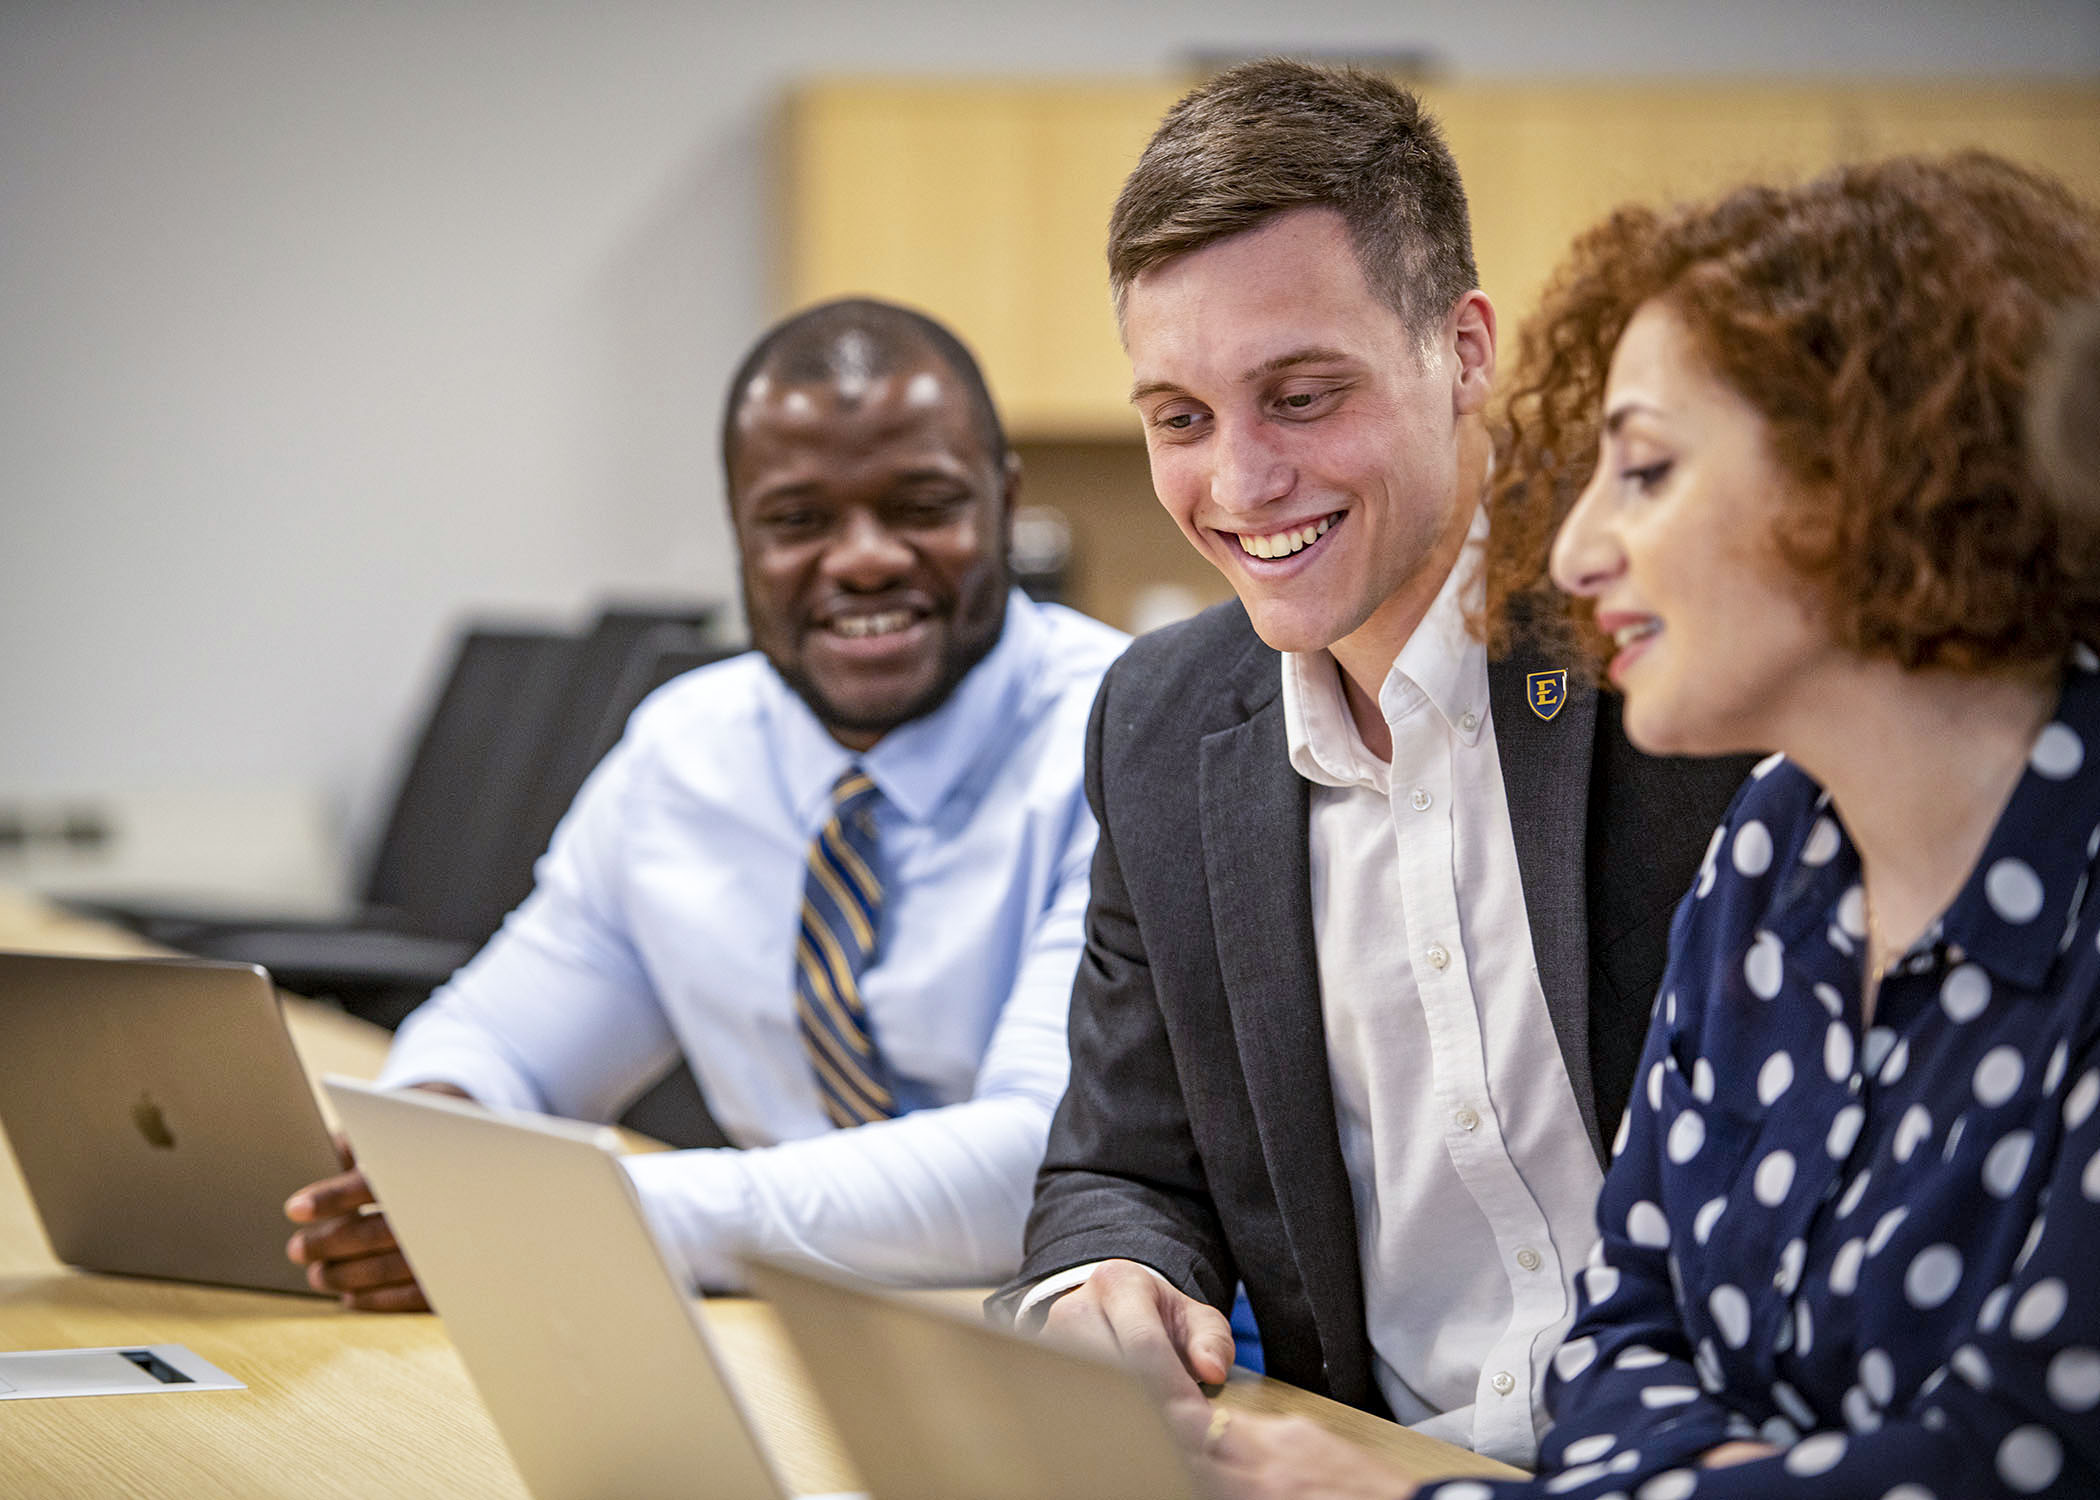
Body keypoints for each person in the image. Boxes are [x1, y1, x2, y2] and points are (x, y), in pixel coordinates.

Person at [1199, 155, 2100, 1498]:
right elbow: (1620, 1343)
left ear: (1881, 470)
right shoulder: (1773, 849)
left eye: (1649, 470)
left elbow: (2007, 1465)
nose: (1572, 554)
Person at [991, 59, 1750, 1469]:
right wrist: (1103, 1286)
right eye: (1180, 418)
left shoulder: (1673, 640)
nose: (1239, 482)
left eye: (1301, 394)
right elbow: (1119, 1162)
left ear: (1465, 351)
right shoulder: (1161, 724)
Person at [283, 298, 1127, 1308]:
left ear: (1004, 500)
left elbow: (1038, 1166)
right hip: (804, 1327)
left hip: (1068, 1338)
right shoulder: (687, 751)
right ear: (739, 535)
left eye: (921, 506)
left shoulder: (1124, 738)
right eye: (797, 521)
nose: (862, 558)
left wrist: (585, 1219)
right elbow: (505, 1038)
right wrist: (422, 1156)